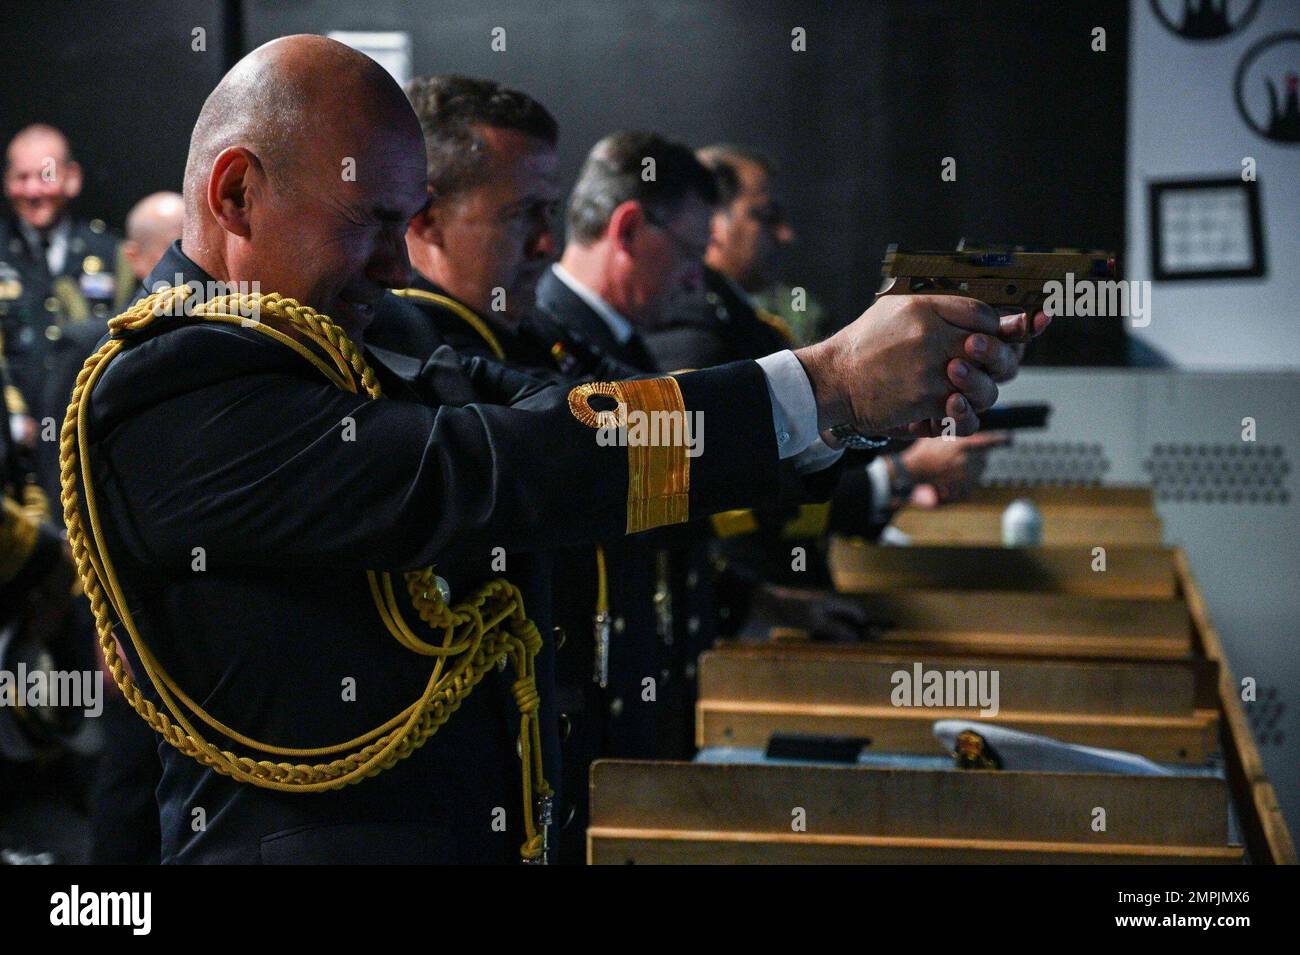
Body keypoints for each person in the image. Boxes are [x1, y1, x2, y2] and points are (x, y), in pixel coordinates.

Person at [67, 34, 1034, 864]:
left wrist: (835, 409)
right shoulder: (170, 382)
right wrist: (823, 383)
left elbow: (555, 410)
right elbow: (493, 467)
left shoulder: (340, 340)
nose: (399, 268)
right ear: (237, 194)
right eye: (370, 224)